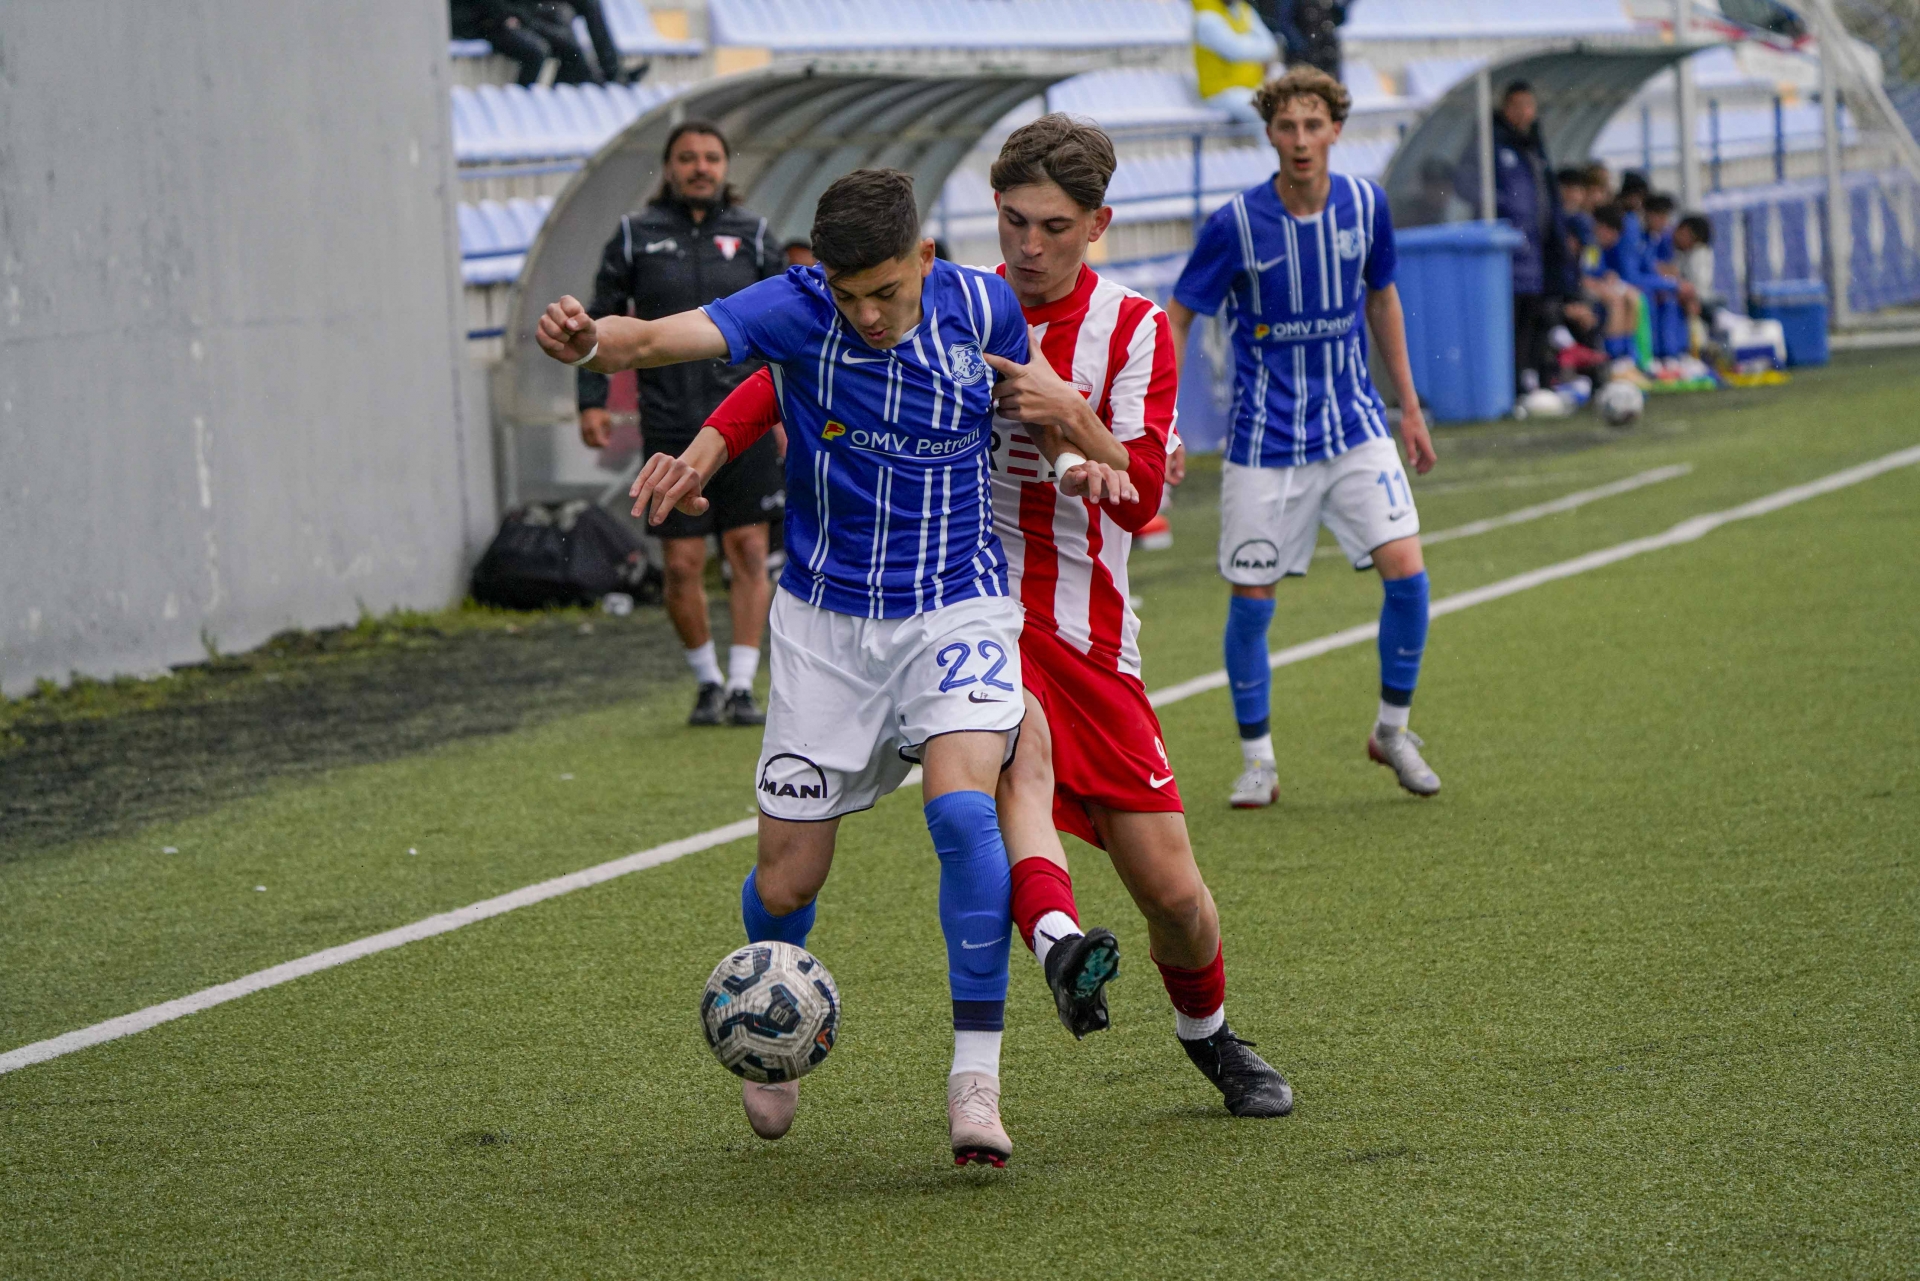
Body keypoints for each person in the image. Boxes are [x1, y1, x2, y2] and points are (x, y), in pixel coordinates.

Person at [537, 169, 1033, 1168]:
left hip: (958, 606)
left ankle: (975, 1078)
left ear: (925, 259)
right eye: (849, 296)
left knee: (962, 814)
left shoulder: (986, 308)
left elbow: (1032, 407)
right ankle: (773, 1018)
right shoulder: (800, 310)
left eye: (886, 291)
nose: (868, 315)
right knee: (787, 874)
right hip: (825, 629)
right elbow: (656, 339)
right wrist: (589, 342)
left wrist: (1084, 452)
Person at [983, 115, 1293, 1117]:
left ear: (1098, 224)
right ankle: (1059, 947)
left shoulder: (1134, 328)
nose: (1030, 246)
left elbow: (1145, 492)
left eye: (1054, 227)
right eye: (1014, 221)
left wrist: (1071, 415)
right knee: (1019, 766)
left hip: (1093, 636)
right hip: (974, 617)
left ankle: (1209, 1035)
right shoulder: (959, 307)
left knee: (1174, 896)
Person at [1163, 66, 1442, 808]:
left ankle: (1392, 730)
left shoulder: (1365, 205)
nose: (1300, 139)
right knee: (1252, 599)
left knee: (1409, 575)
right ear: (1269, 134)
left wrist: (1408, 407)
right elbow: (1179, 316)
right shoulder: (1235, 224)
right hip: (1265, 441)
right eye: (1287, 126)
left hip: (1355, 426)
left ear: (1335, 131)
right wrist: (1163, 420)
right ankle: (1258, 762)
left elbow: (1382, 298)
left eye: (1313, 125)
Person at [576, 121, 783, 727]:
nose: (700, 167)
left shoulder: (754, 235)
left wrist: (791, 404)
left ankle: (742, 684)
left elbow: (787, 319)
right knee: (683, 563)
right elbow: (598, 317)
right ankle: (706, 681)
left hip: (744, 420)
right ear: (669, 168)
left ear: (725, 166)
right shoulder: (634, 235)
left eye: (711, 157)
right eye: (688, 158)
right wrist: (591, 399)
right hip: (669, 423)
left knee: (749, 550)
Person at [1457, 81, 1569, 395]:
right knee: (1505, 320)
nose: (1524, 113)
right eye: (1517, 106)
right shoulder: (1489, 142)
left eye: (1529, 106)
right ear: (1505, 108)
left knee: (1532, 317)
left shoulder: (1534, 146)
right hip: (1506, 253)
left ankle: (1527, 380)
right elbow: (1465, 182)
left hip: (1535, 252)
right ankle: (1506, 387)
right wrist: (1501, 208)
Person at [1192, 0, 1281, 124]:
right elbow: (1235, 51)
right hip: (1220, 93)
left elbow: (1271, 47)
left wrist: (1245, 45)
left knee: (1284, 105)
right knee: (1266, 110)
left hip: (1250, 88)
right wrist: (1255, 45)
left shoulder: (1244, 10)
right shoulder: (1207, 17)